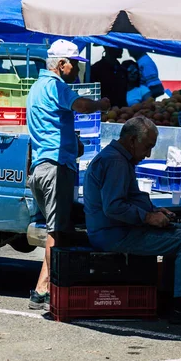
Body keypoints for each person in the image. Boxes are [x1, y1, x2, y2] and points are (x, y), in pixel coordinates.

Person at [83, 116, 181, 324]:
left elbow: (127, 199)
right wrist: (148, 217)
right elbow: (114, 207)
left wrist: (154, 211)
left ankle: (168, 300)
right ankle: (180, 307)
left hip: (114, 230)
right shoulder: (115, 161)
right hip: (114, 234)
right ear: (131, 140)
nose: (148, 154)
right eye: (147, 147)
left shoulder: (117, 158)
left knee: (179, 235)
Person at [27, 39, 110, 310]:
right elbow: (82, 107)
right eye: (74, 64)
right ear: (61, 64)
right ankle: (51, 291)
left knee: (56, 227)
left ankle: (41, 290)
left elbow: (51, 126)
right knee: (58, 232)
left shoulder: (36, 87)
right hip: (56, 167)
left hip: (40, 166)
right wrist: (102, 104)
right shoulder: (56, 86)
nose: (77, 70)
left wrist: (75, 144)